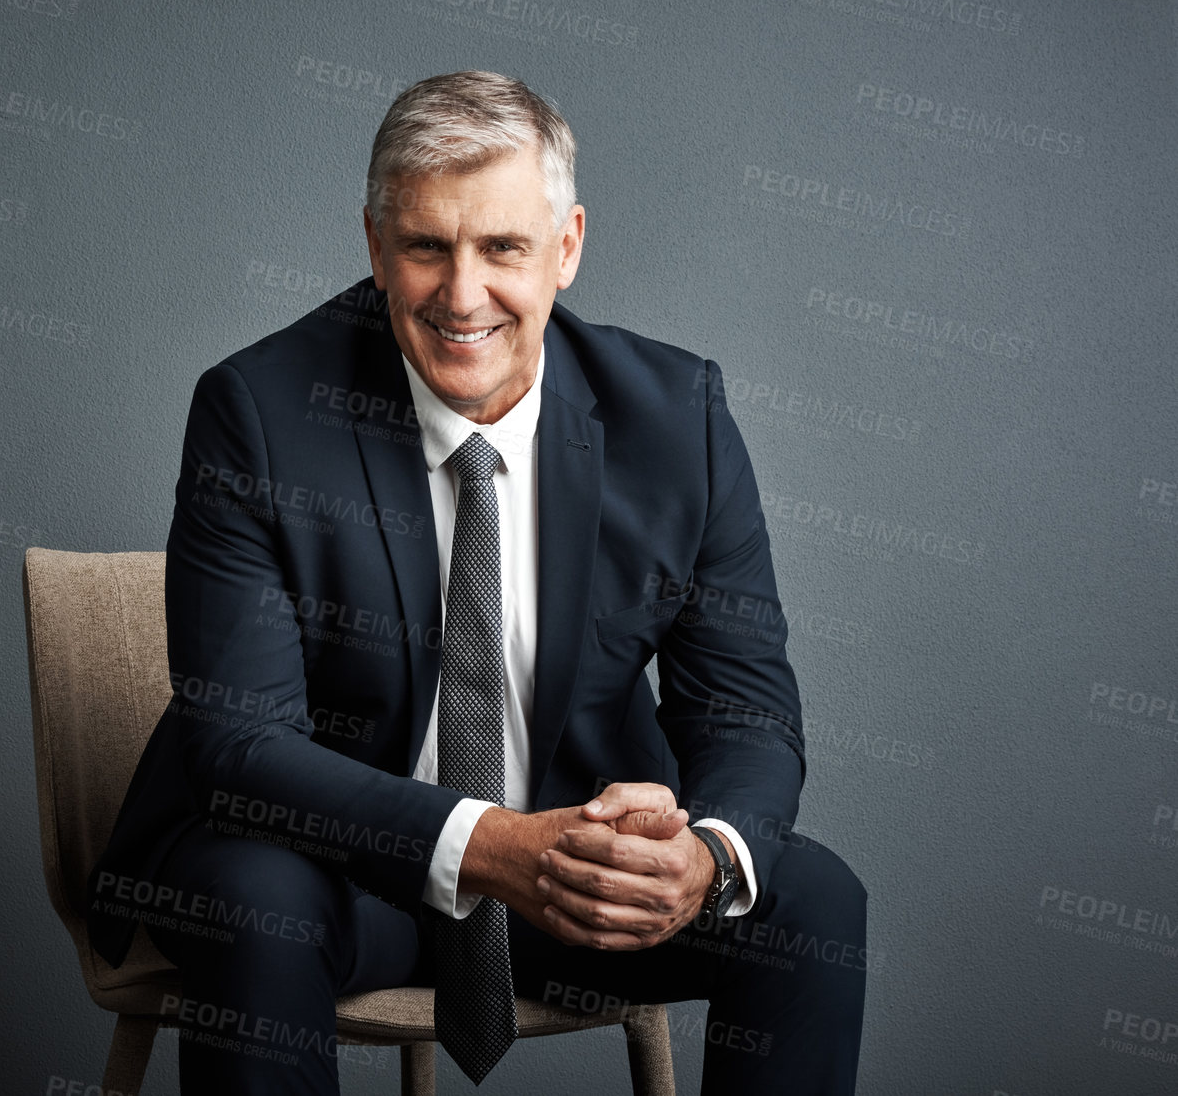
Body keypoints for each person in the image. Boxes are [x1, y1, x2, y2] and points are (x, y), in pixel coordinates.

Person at [87, 70, 867, 1094]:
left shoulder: (678, 422)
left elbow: (748, 712)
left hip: (566, 885)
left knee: (809, 902)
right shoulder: (261, 411)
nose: (463, 295)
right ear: (375, 246)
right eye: (425, 247)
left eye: (502, 247)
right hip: (331, 874)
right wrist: (491, 846)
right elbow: (240, 746)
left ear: (567, 248)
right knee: (252, 899)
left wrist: (708, 859)